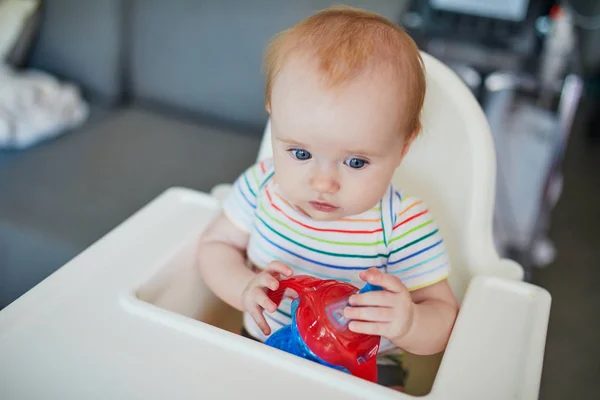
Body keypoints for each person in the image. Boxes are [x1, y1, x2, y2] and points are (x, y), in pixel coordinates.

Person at [197, 5, 459, 390]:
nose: (323, 183)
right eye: (300, 154)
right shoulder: (261, 186)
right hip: (262, 346)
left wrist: (411, 323)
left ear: (403, 147)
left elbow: (444, 315)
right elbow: (215, 246)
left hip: (363, 370)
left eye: (355, 162)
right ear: (275, 118)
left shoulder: (401, 222)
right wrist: (242, 288)